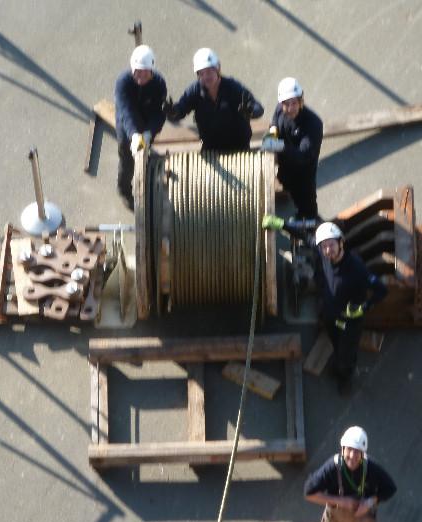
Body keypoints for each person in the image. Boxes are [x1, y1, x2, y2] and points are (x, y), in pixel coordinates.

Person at [262, 217, 387, 392]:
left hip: (349, 320)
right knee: (334, 340)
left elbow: (381, 290)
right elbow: (304, 236)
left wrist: (363, 308)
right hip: (330, 312)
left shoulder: (357, 270)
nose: (328, 250)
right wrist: (281, 224)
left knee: (346, 354)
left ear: (341, 243)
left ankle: (345, 377)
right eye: (324, 246)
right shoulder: (322, 252)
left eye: (331, 245)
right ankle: (338, 358)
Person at [304, 426, 397, 522]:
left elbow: (390, 488)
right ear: (342, 449)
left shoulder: (372, 468)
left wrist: (370, 503)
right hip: (336, 516)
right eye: (349, 450)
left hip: (365, 516)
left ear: (363, 453)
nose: (352, 456)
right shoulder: (332, 467)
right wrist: (339, 501)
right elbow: (309, 493)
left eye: (357, 451)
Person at [165, 48, 264, 152]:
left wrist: (250, 111)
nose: (206, 76)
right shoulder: (195, 90)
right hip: (210, 148)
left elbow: (259, 109)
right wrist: (172, 113)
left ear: (218, 69)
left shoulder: (233, 87)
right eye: (201, 73)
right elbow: (180, 110)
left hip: (239, 146)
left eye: (209, 71)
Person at [261, 77, 323, 219]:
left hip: (303, 175)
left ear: (301, 101)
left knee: (307, 206)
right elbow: (275, 123)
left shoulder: (313, 123)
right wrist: (272, 135)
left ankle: (310, 221)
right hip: (285, 168)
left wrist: (280, 146)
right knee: (287, 185)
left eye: (294, 103)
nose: (290, 109)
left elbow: (303, 156)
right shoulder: (279, 110)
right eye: (286, 104)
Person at [114, 44, 167, 210]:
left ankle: (147, 177)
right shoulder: (123, 83)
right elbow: (126, 111)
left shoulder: (159, 84)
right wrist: (134, 135)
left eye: (144, 72)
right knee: (127, 159)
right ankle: (124, 190)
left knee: (146, 153)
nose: (140, 76)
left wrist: (148, 133)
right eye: (137, 71)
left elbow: (158, 113)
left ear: (151, 70)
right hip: (127, 125)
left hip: (146, 124)